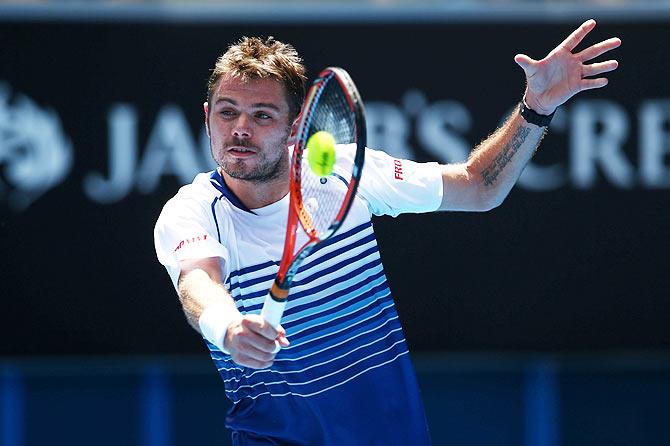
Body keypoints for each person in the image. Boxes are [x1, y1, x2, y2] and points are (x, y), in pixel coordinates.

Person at [154, 20, 620, 445]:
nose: (239, 129)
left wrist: (534, 107)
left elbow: (480, 187)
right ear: (207, 116)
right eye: (227, 112)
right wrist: (228, 326)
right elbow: (199, 284)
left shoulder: (344, 171)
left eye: (262, 115)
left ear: (296, 127)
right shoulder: (192, 211)